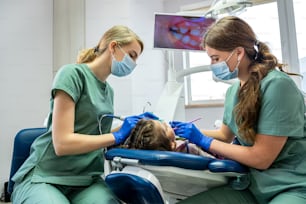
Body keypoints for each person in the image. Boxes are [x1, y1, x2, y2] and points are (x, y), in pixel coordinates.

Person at [11, 25, 158, 204]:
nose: (133, 64)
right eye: (132, 55)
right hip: (45, 177)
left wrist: (134, 126)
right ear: (113, 47)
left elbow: (94, 135)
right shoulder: (72, 74)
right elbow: (62, 143)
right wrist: (116, 135)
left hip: (86, 181)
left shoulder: (108, 91)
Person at [170, 16, 306, 204]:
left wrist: (203, 140)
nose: (212, 65)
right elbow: (225, 135)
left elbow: (261, 158)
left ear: (239, 53)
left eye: (215, 58)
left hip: (291, 186)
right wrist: (184, 132)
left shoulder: (277, 86)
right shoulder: (233, 91)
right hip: (251, 185)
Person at [121, 118, 215, 158]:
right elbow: (213, 160)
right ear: (171, 143)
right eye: (165, 128)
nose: (166, 123)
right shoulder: (190, 149)